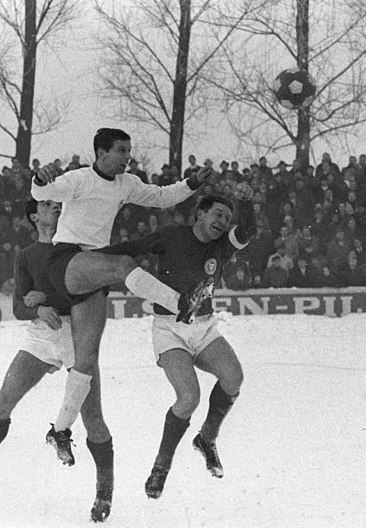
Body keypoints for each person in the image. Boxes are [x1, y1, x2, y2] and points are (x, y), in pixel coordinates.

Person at [31, 128, 212, 465]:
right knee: (124, 264)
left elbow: (159, 196)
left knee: (86, 360)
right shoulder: (81, 178)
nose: (127, 156)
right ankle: (179, 302)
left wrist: (191, 184)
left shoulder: (127, 183)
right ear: (100, 153)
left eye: (129, 150)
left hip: (95, 268)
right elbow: (47, 190)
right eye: (121, 150)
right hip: (67, 261)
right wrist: (39, 179)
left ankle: (60, 429)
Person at [0, 199, 115, 522]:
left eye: (59, 205)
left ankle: (103, 494)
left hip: (77, 334)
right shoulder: (26, 256)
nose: (56, 209)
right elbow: (18, 306)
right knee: (2, 402)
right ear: (34, 216)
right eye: (50, 205)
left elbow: (91, 293)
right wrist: (38, 308)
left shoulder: (76, 249)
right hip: (40, 336)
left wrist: (47, 298)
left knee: (93, 418)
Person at [105, 183, 256, 499]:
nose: (222, 221)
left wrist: (245, 203)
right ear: (200, 213)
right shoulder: (173, 235)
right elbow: (135, 247)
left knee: (234, 377)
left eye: (227, 218)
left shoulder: (222, 246)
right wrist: (91, 257)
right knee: (189, 398)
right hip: (169, 330)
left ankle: (206, 439)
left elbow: (248, 230)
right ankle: (161, 467)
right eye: (217, 213)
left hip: (203, 328)